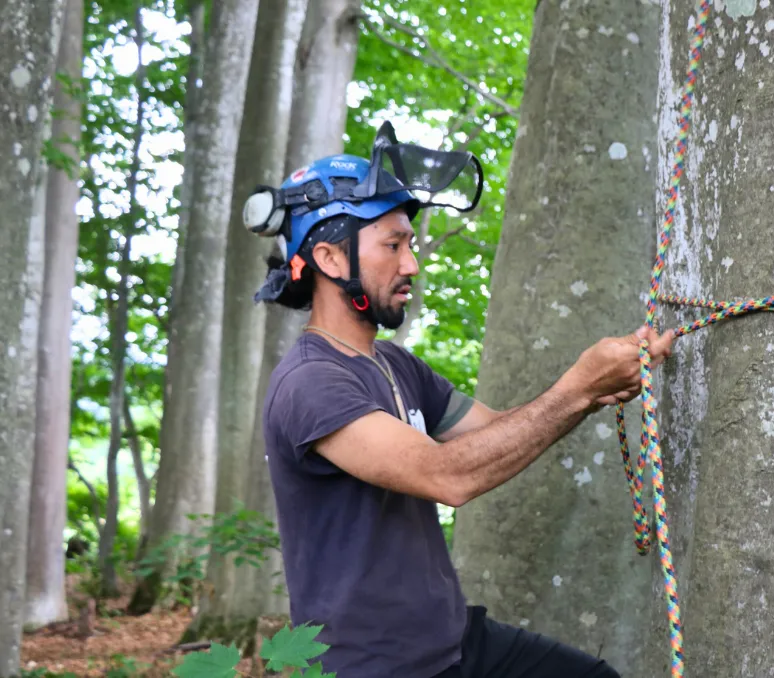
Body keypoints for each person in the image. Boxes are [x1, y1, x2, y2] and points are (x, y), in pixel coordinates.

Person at [248, 142, 674, 678]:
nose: (412, 263)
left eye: (409, 243)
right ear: (330, 258)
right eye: (393, 245)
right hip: (378, 668)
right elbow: (448, 476)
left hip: (453, 641)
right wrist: (578, 389)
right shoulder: (311, 383)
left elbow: (498, 433)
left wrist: (596, 387)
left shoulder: (396, 364)